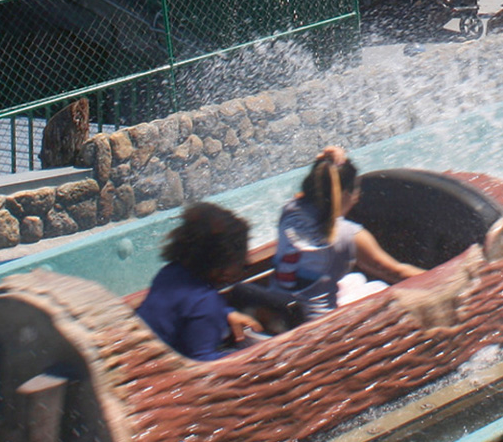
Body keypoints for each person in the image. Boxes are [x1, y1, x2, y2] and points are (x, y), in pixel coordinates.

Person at [272, 148, 423, 321]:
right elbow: (397, 272)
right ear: (345, 194)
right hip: (319, 324)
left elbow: (315, 184)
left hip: (284, 310)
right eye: (356, 191)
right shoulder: (348, 234)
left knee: (355, 279)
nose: (357, 198)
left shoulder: (290, 210)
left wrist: (328, 162)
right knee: (380, 287)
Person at [136, 202, 264, 360]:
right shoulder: (205, 302)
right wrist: (248, 357)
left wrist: (225, 313)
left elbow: (182, 309)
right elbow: (202, 362)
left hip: (142, 351)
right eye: (241, 259)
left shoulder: (170, 272)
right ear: (220, 261)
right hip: (163, 367)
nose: (246, 261)